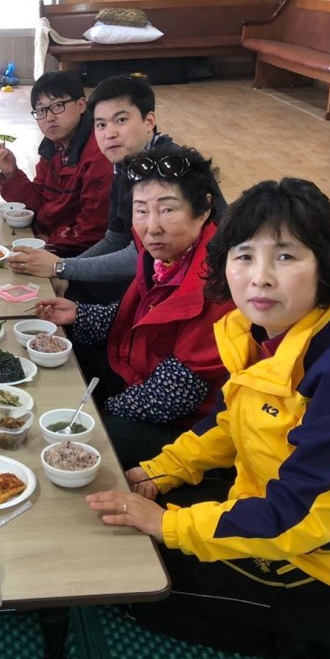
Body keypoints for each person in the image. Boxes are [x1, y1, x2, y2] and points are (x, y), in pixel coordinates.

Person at [88, 178, 330, 659]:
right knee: (118, 522)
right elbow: (227, 424)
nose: (260, 277)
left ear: (327, 265)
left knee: (127, 580)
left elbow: (299, 518)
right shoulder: (255, 332)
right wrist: (161, 471)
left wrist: (169, 524)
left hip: (329, 562)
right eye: (245, 256)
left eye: (285, 256)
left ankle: (319, 639)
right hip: (265, 504)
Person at [36, 146, 233, 467]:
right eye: (141, 210)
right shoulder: (162, 255)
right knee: (64, 350)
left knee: (92, 437)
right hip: (139, 374)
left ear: (203, 210)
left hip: (191, 427)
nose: (152, 226)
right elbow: (142, 319)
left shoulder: (218, 282)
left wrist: (101, 411)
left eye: (167, 210)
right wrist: (79, 314)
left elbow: (176, 394)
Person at [8, 73, 225, 304]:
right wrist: (64, 270)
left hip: (204, 289)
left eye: (121, 120)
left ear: (149, 121)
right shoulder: (125, 167)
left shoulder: (167, 170)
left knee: (69, 298)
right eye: (101, 125)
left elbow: (142, 255)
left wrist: (61, 267)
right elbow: (116, 240)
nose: (109, 133)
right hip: (161, 274)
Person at [0, 71, 112, 254]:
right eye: (41, 110)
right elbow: (38, 203)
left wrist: (50, 242)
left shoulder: (100, 153)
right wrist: (11, 174)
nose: (49, 117)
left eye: (57, 106)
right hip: (53, 239)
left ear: (81, 105)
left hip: (79, 252)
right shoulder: (52, 148)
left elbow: (93, 228)